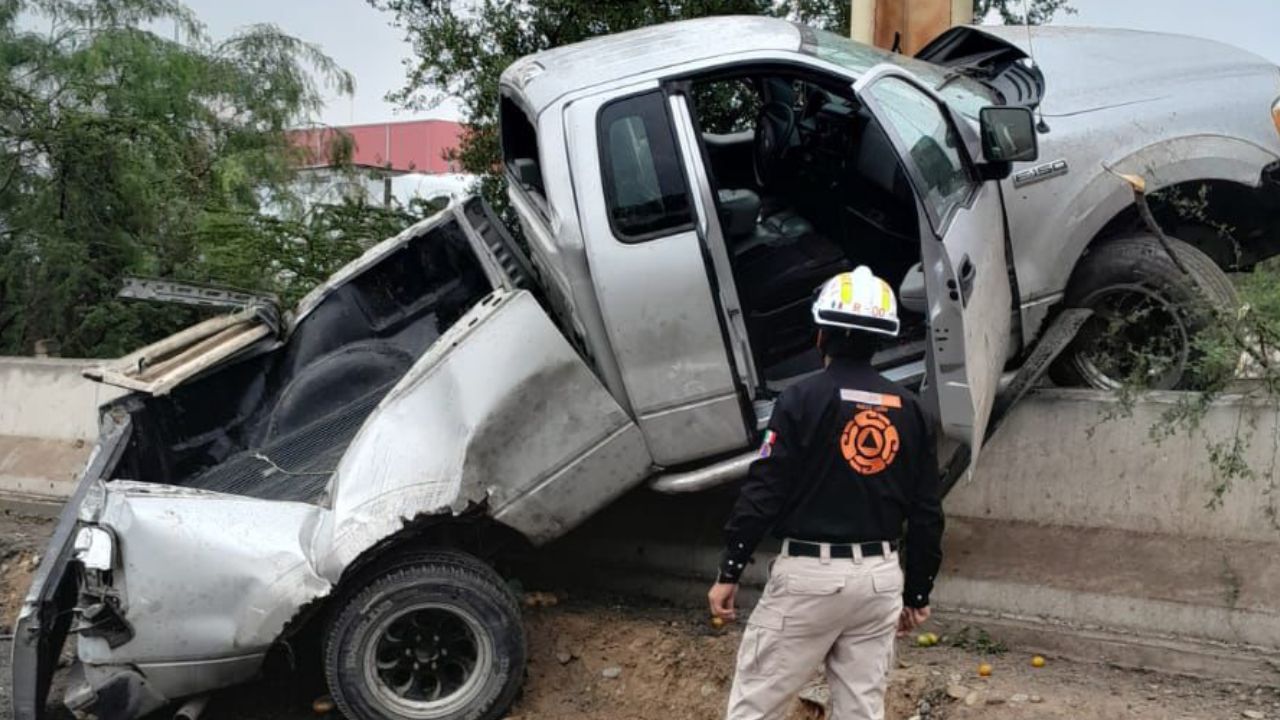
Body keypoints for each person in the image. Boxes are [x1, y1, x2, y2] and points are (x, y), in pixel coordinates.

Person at [709, 266, 944, 720]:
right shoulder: (912, 411)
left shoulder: (800, 399)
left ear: (821, 335)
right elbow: (927, 512)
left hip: (811, 579)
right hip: (879, 580)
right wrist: (917, 593)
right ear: (883, 340)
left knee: (756, 707)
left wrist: (731, 568)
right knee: (861, 710)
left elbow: (764, 490)